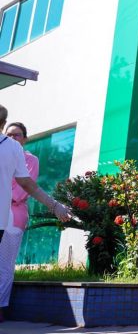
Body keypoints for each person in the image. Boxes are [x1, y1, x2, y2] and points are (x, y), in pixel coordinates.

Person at [0, 106, 70, 313]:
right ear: (4, 125)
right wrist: (55, 206)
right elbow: (29, 185)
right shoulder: (12, 148)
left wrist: (55, 206)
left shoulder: (13, 149)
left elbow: (26, 186)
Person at [0, 122, 39, 321]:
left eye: (17, 135)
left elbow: (25, 187)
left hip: (13, 216)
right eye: (9, 135)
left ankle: (0, 307)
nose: (13, 138)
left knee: (4, 264)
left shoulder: (30, 160)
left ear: (25, 138)